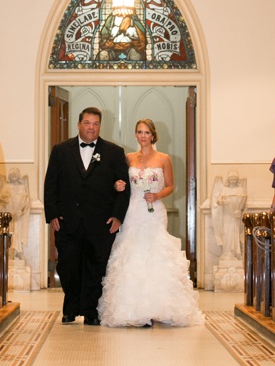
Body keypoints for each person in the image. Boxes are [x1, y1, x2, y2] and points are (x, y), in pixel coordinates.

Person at [98, 119, 203, 327]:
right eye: (139, 132)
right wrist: (117, 185)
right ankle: (132, 308)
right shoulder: (128, 158)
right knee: (132, 253)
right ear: (135, 135)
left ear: (153, 135)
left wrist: (157, 195)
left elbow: (171, 186)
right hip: (133, 210)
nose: (142, 136)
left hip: (154, 212)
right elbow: (119, 182)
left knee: (155, 254)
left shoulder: (163, 158)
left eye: (146, 132)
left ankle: (159, 308)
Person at [43, 107, 128, 326]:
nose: (91, 127)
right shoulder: (60, 150)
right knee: (68, 266)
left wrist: (117, 217)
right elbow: (50, 184)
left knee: (96, 267)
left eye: (96, 124)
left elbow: (123, 187)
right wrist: (52, 214)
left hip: (101, 223)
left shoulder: (114, 152)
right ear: (79, 124)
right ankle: (70, 309)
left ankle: (91, 311)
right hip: (66, 221)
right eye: (87, 123)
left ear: (100, 126)